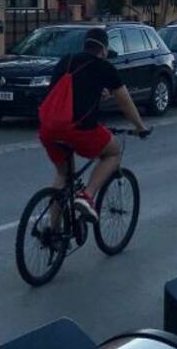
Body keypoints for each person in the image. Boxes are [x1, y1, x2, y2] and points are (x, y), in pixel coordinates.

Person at [38, 27, 149, 223]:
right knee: (114, 151)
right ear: (104, 50)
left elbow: (64, 94)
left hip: (48, 128)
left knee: (63, 175)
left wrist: (97, 93)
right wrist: (140, 127)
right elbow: (125, 102)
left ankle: (52, 232)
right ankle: (87, 196)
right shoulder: (103, 67)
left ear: (85, 45)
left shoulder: (67, 61)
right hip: (79, 130)